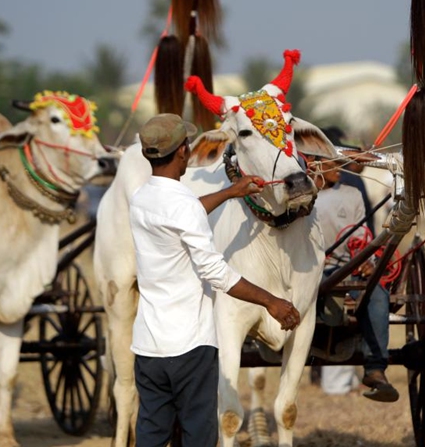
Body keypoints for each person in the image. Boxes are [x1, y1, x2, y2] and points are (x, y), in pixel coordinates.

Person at [129, 114, 301, 446]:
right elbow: (215, 271)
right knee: (198, 434)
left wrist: (231, 192)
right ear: (183, 151)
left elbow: (182, 214)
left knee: (151, 433)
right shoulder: (182, 206)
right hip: (189, 346)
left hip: (149, 345)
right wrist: (272, 302)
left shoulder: (141, 199)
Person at [310, 155, 398, 403]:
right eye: (331, 163)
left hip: (350, 269)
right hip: (311, 271)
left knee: (377, 293)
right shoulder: (301, 193)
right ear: (315, 164)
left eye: (340, 162)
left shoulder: (352, 194)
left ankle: (375, 369)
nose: (339, 168)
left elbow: (360, 235)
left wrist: (366, 260)